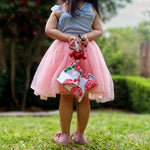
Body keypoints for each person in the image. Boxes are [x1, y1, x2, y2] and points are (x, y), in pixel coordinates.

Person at [31, 0, 114, 146]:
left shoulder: (60, 8)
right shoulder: (91, 9)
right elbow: (99, 30)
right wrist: (86, 36)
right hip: (86, 52)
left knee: (66, 96)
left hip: (65, 53)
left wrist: (68, 36)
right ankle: (80, 135)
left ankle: (65, 136)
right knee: (83, 96)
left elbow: (49, 29)